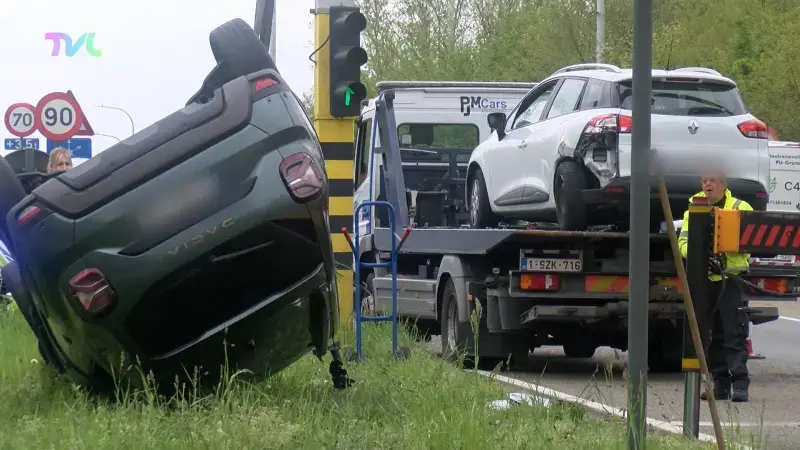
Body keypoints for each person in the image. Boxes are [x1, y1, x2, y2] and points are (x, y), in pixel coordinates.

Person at [678, 171, 752, 403]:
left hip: (731, 279)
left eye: (712, 180)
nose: (707, 184)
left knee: (734, 332)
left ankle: (740, 384)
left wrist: (725, 251)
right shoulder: (694, 207)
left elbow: (748, 243)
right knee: (712, 334)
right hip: (706, 280)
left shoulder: (740, 207)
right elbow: (683, 241)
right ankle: (719, 384)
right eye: (704, 181)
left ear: (723, 184)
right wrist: (698, 254)